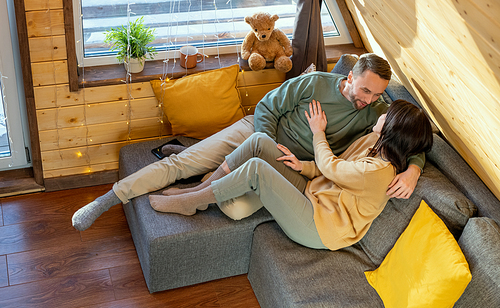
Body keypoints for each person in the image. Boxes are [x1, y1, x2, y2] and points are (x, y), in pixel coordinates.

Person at [72, 53, 424, 231]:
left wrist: (413, 170)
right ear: (350, 76)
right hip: (256, 131)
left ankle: (202, 163)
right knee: (179, 166)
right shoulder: (315, 83)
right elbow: (269, 106)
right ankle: (108, 198)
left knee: (233, 205)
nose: (369, 99)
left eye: (377, 94)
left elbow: (416, 135)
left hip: (290, 165)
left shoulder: (376, 110)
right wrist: (263, 142)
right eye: (365, 90)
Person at [148, 99, 434, 250]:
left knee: (257, 170)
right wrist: (303, 166)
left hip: (321, 228)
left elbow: (333, 166)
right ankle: (197, 192)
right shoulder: (375, 143)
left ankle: (193, 201)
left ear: (392, 128)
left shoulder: (379, 172)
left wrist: (318, 133)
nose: (381, 114)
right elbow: (331, 170)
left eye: (388, 114)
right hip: (314, 193)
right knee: (260, 142)